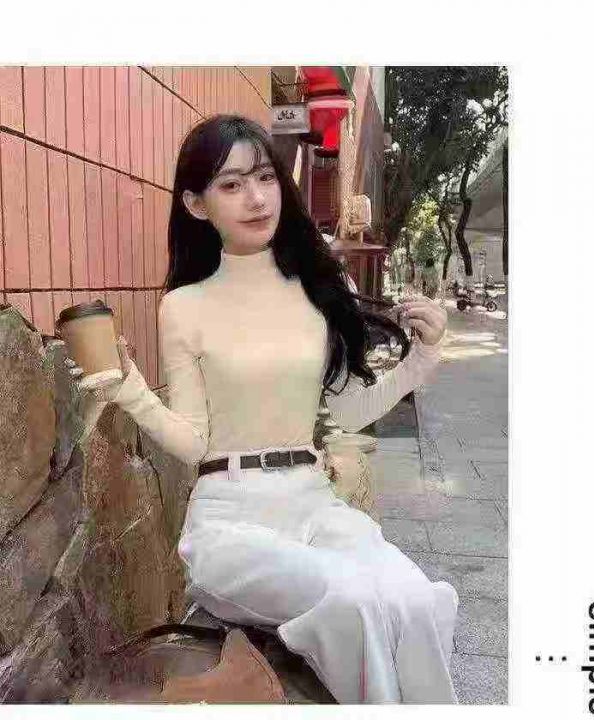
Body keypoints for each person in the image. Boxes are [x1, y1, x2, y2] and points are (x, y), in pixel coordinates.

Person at [71, 115, 457, 704]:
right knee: (352, 600)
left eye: (264, 177)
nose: (256, 198)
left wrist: (419, 362)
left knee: (413, 600)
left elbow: (342, 415)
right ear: (196, 205)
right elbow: (195, 441)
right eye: (231, 185)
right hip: (229, 519)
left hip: (313, 504)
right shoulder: (184, 307)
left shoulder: (319, 289)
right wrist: (131, 391)